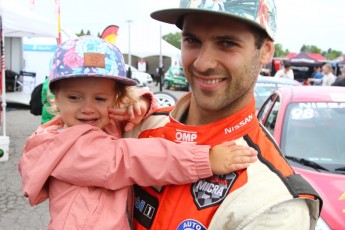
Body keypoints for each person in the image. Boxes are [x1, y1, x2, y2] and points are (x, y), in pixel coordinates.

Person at [18, 36, 258, 229]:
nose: (88, 108)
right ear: (55, 98)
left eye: (100, 98)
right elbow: (129, 157)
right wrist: (204, 159)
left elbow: (125, 118)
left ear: (116, 99)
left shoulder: (88, 128)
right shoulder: (69, 149)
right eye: (74, 97)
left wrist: (141, 104)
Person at [125, 1, 322, 229]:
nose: (203, 63)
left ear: (266, 51)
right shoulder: (138, 126)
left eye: (227, 43)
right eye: (192, 41)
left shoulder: (273, 202)